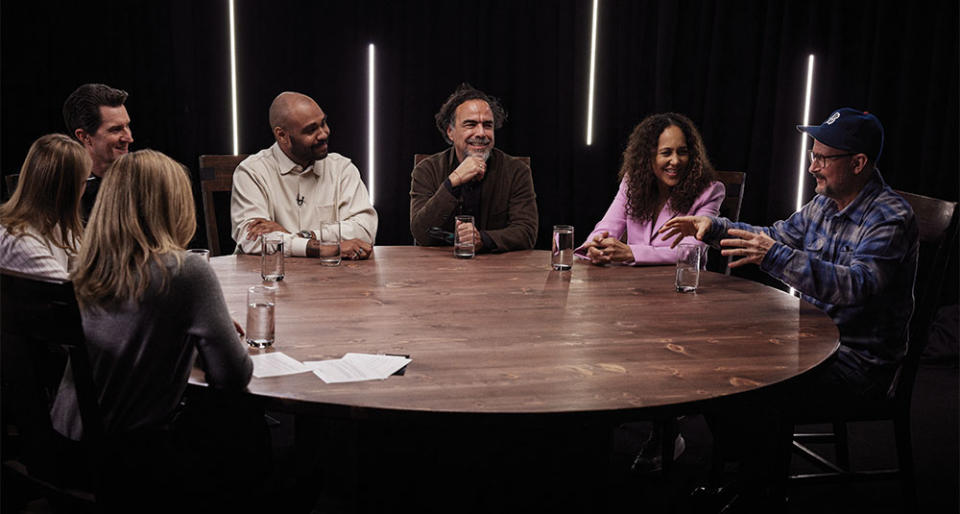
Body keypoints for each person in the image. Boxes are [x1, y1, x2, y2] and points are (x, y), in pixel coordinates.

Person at [660, 108, 919, 507]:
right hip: (810, 341)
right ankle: (748, 471)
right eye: (812, 155)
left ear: (858, 163)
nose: (812, 166)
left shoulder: (891, 217)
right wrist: (715, 228)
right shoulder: (824, 203)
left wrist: (774, 257)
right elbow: (777, 235)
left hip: (858, 361)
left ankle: (760, 490)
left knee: (753, 385)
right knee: (713, 359)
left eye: (822, 158)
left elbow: (858, 285)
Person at [53, 149, 258, 510]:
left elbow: (134, 334)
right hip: (128, 463)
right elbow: (233, 375)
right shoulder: (183, 271)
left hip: (64, 446)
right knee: (241, 422)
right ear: (174, 205)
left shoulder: (87, 265)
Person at [231, 91, 377, 259]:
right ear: (282, 135)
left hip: (329, 280)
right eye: (311, 130)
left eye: (323, 123)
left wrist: (305, 236)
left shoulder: (342, 169)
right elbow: (251, 239)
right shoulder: (251, 172)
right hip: (268, 280)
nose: (324, 133)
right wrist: (321, 248)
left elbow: (365, 229)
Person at [575, 113, 724, 265]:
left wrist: (631, 253)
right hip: (630, 283)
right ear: (648, 157)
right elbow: (608, 226)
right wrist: (596, 246)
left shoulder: (710, 191)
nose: (675, 161)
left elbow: (691, 252)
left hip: (680, 283)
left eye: (682, 152)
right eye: (666, 153)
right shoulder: (632, 182)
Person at [410, 83, 538, 252]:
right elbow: (421, 233)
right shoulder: (426, 169)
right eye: (470, 124)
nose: (481, 133)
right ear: (450, 132)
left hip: (499, 270)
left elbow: (527, 232)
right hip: (439, 269)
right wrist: (453, 181)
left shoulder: (516, 170)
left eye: (487, 125)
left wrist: (483, 239)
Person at [0, 133, 91, 279]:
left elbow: (87, 269)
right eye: (85, 182)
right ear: (70, 190)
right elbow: (67, 292)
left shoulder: (55, 225)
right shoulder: (19, 240)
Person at [62, 83, 133, 220]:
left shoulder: (143, 180)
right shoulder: (66, 195)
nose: (129, 138)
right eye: (116, 129)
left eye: (127, 126)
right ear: (84, 136)